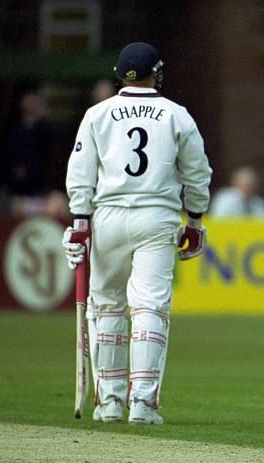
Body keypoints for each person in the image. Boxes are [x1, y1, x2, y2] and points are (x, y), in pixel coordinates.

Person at [62, 42, 212, 424]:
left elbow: (80, 172)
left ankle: (109, 403)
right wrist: (194, 222)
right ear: (156, 73)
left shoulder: (98, 114)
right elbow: (197, 174)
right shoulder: (176, 115)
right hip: (156, 215)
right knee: (150, 307)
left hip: (107, 215)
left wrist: (80, 222)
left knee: (106, 306)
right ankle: (142, 404)